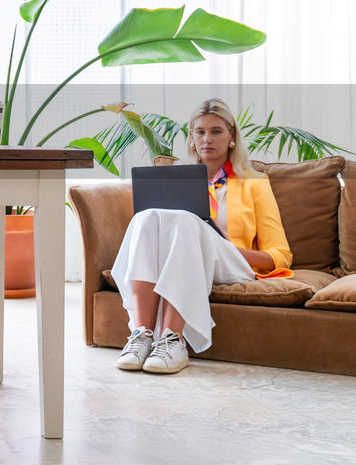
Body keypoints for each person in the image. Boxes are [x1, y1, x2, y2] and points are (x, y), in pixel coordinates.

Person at [112, 98, 292, 374]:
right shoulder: (174, 180)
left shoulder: (254, 181)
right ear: (192, 138)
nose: (207, 138)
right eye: (200, 131)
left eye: (216, 131)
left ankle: (174, 340)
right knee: (145, 216)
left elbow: (281, 255)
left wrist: (221, 246)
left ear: (232, 137)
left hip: (230, 261)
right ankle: (143, 334)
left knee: (187, 222)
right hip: (184, 257)